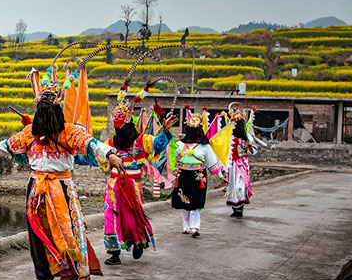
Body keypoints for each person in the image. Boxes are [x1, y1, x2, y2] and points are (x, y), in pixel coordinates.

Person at [0, 71, 125, 280]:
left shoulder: (69, 132)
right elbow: (6, 146)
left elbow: (91, 144)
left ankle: (68, 272)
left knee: (67, 234)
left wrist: (110, 154)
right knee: (38, 237)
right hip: (36, 189)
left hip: (61, 188)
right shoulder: (29, 134)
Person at [102, 86, 178, 265]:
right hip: (113, 186)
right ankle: (113, 251)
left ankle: (138, 242)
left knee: (134, 216)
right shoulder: (110, 143)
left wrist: (165, 131)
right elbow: (94, 155)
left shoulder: (141, 141)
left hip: (133, 186)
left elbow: (157, 145)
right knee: (109, 216)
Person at [168, 108, 226, 237]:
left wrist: (221, 176)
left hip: (198, 175)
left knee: (196, 201)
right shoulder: (180, 144)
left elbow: (212, 162)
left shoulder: (205, 146)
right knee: (184, 200)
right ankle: (186, 226)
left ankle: (194, 227)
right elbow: (171, 155)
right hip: (183, 174)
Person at [224, 106, 258, 218]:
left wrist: (248, 147)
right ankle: (235, 208)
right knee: (232, 186)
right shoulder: (229, 136)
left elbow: (254, 151)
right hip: (231, 164)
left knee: (240, 186)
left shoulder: (247, 137)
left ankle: (240, 208)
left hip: (241, 164)